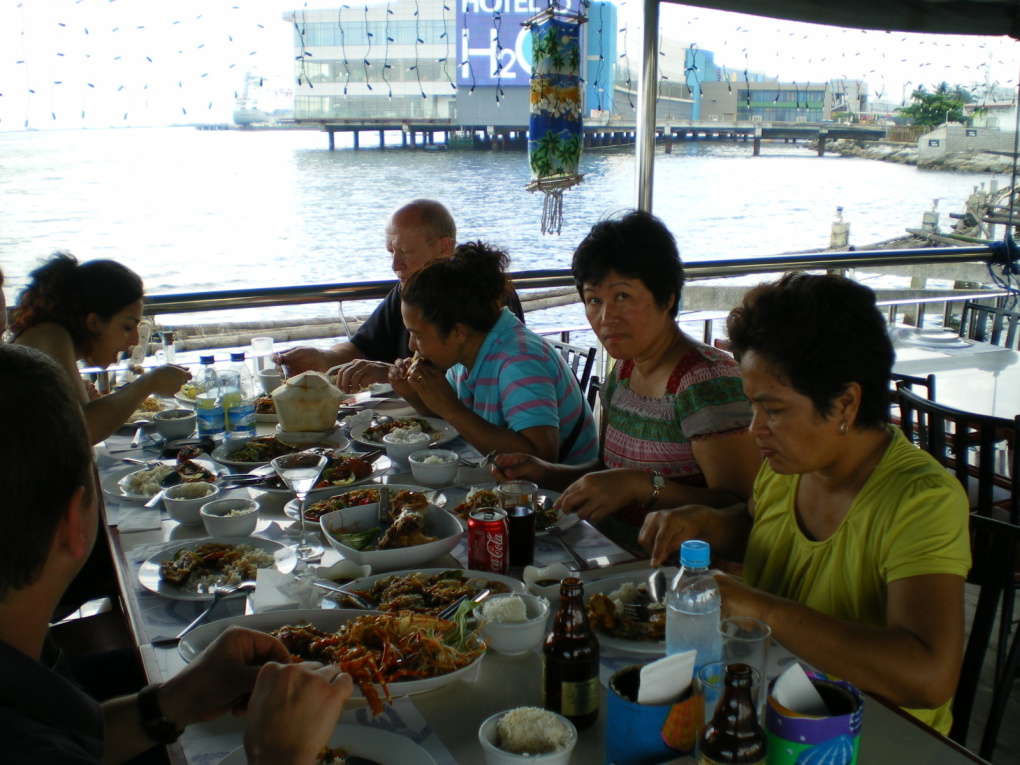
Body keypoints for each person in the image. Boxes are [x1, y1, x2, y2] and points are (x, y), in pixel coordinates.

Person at [639, 272, 971, 734]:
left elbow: (928, 676)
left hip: (863, 735)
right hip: (764, 709)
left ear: (845, 404)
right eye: (752, 407)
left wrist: (762, 610)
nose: (756, 429)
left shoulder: (921, 500)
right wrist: (706, 524)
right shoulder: (787, 468)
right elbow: (762, 530)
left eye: (772, 410)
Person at [0, 343, 354, 764]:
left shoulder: (23, 659)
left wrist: (175, 701)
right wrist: (278, 756)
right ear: (72, 525)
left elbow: (84, 735)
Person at [492, 211, 761, 551]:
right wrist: (545, 472)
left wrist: (642, 486)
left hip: (681, 580)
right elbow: (609, 474)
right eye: (594, 300)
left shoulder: (706, 382)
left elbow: (741, 511)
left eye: (622, 296)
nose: (606, 318)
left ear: (667, 297)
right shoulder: (623, 373)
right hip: (611, 561)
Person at [274, 199, 524, 391]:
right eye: (391, 252)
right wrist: (323, 359)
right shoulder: (408, 291)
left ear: (443, 247)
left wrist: (392, 375)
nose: (395, 265)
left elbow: (474, 382)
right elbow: (362, 346)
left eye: (405, 251)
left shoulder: (483, 294)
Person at [391, 240, 598, 464]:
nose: (412, 346)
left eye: (419, 336)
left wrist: (451, 408)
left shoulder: (520, 360)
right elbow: (453, 425)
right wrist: (414, 394)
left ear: (458, 332)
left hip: (562, 492)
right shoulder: (465, 355)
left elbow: (541, 459)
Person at [10, 252, 192, 444]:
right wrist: (149, 382)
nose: (135, 340)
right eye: (127, 327)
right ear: (94, 322)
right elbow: (82, 431)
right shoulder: (49, 336)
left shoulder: (53, 338)